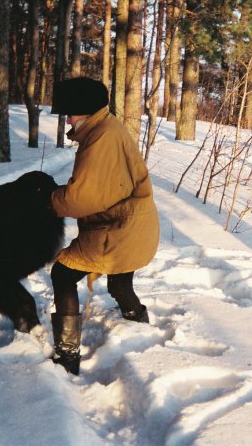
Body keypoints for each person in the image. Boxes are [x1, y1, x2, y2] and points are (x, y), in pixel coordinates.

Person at [48, 77, 160, 375]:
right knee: (120, 280)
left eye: (69, 112)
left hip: (119, 227)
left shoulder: (100, 138)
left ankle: (68, 355)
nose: (67, 119)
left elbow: (82, 198)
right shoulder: (107, 127)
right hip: (135, 225)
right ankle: (137, 321)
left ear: (83, 111)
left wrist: (51, 200)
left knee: (62, 273)